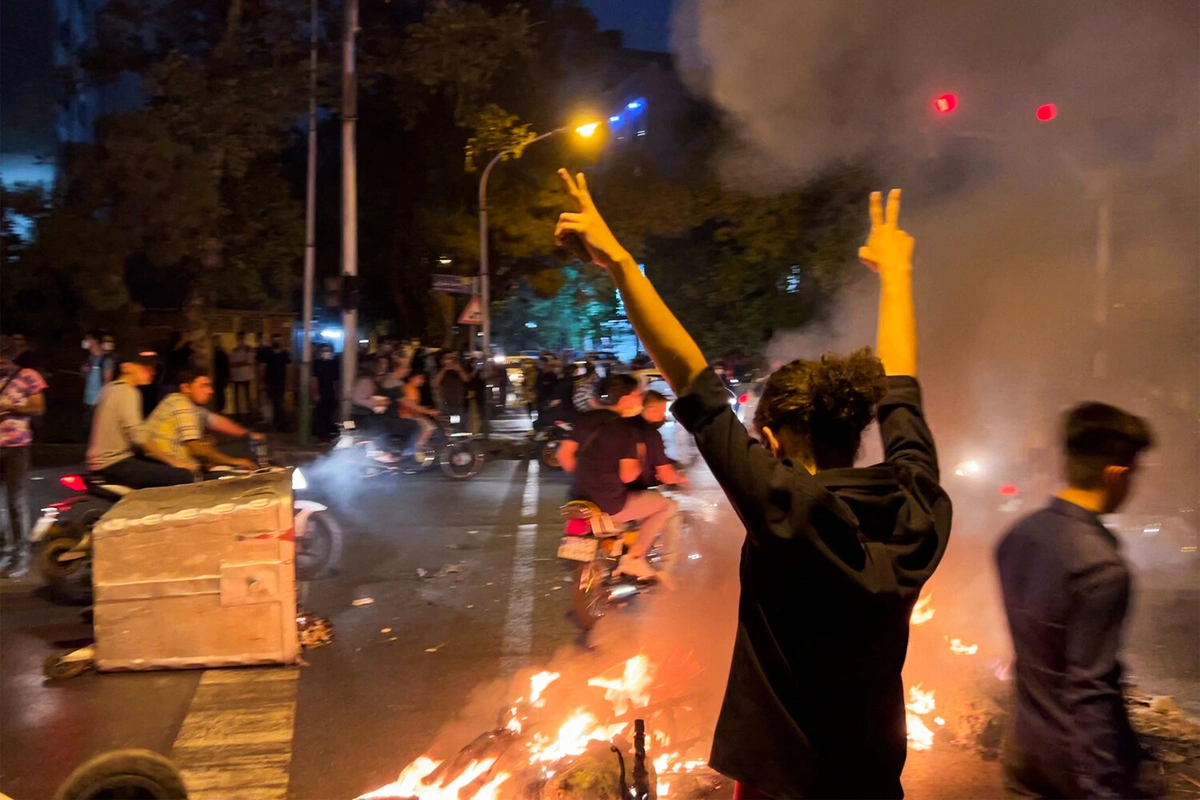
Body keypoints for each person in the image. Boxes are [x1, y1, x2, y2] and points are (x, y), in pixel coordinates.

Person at [555, 171, 950, 798]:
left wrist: (622, 263)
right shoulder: (917, 505)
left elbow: (691, 379)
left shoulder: (784, 509)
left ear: (770, 442)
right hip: (875, 780)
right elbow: (904, 390)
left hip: (782, 786)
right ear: (857, 427)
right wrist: (898, 276)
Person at [996, 403, 1157, 800]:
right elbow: (1090, 691)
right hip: (1073, 770)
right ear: (1116, 474)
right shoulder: (1101, 567)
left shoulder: (1018, 537)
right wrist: (1105, 787)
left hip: (1022, 750)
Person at [557, 374, 675, 581]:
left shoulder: (588, 419)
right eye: (637, 394)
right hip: (609, 503)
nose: (640, 398)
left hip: (579, 496)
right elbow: (629, 476)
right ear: (625, 399)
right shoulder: (625, 428)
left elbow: (564, 456)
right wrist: (639, 457)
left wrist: (588, 475)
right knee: (665, 505)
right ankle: (635, 557)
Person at [87, 346, 196, 488]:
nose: (151, 371)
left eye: (152, 367)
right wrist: (174, 461)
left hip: (101, 463)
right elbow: (139, 438)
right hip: (115, 463)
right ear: (127, 367)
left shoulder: (109, 389)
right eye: (144, 367)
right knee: (184, 476)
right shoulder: (128, 392)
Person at [145, 369, 262, 473]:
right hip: (168, 466)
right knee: (241, 458)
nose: (210, 391)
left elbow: (216, 421)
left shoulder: (188, 405)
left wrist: (248, 434)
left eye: (209, 386)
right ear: (186, 388)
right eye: (204, 386)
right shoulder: (181, 405)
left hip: (178, 461)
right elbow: (197, 449)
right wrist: (235, 462)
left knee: (222, 447)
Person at [0, 336, 48, 578]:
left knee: (15, 502)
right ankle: (6, 553)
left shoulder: (27, 375)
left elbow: (38, 407)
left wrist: (11, 407)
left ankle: (21, 557)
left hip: (17, 446)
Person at [626, 390, 687, 491]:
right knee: (671, 504)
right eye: (662, 411)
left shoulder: (625, 425)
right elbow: (667, 476)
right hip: (633, 491)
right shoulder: (651, 434)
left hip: (614, 487)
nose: (663, 416)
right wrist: (683, 480)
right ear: (651, 410)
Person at [82, 330, 115, 438]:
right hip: (88, 400)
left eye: (89, 341)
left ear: (95, 342)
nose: (87, 344)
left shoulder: (105, 360)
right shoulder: (89, 359)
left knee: (99, 431)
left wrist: (103, 399)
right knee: (89, 430)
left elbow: (107, 380)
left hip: (99, 401)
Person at [258, 334, 292, 432]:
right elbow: (262, 367)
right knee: (275, 402)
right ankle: (280, 423)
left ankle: (280, 423)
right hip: (270, 381)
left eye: (278, 340)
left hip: (281, 381)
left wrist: (289, 383)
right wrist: (262, 381)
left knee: (278, 402)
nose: (276, 342)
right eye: (275, 340)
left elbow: (288, 368)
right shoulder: (267, 352)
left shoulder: (284, 353)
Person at [399, 372, 439, 451]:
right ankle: (416, 449)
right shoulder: (410, 389)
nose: (422, 381)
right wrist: (428, 412)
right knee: (429, 427)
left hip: (409, 415)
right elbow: (412, 407)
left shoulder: (413, 389)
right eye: (420, 378)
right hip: (406, 415)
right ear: (411, 378)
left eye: (423, 379)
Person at [434, 352, 472, 427]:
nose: (449, 361)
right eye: (447, 358)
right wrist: (444, 369)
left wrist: (459, 369)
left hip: (460, 402)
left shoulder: (460, 368)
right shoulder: (440, 370)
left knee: (460, 423)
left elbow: (466, 379)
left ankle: (460, 435)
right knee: (451, 424)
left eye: (452, 358)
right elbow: (435, 383)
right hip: (446, 402)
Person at [312, 344, 340, 442]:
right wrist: (316, 393)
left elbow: (336, 380)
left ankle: (326, 433)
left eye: (328, 350)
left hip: (330, 392)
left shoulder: (334, 364)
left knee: (329, 414)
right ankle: (320, 434)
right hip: (321, 391)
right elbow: (314, 379)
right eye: (324, 351)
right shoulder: (317, 363)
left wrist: (336, 393)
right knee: (320, 414)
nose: (326, 353)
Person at [229, 331, 256, 420]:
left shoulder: (249, 349)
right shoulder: (234, 350)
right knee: (237, 396)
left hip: (246, 375)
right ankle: (238, 415)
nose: (241, 340)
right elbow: (232, 363)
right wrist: (242, 362)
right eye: (240, 338)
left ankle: (249, 414)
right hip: (237, 376)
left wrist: (240, 363)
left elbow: (250, 362)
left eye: (242, 337)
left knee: (247, 395)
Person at [211, 335, 231, 414]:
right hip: (217, 376)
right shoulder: (215, 353)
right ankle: (219, 408)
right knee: (218, 392)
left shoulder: (221, 353)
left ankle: (221, 408)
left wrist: (226, 377)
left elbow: (226, 365)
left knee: (220, 393)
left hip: (220, 376)